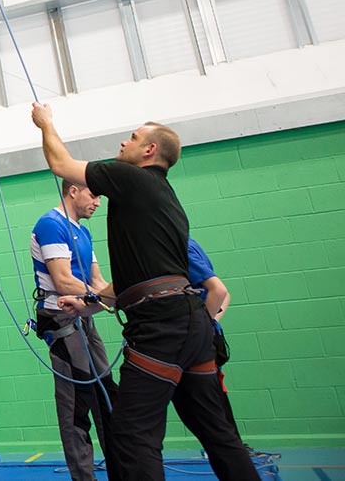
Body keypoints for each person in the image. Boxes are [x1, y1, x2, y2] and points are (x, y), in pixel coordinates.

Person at [30, 104, 260, 481]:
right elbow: (138, 278)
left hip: (159, 328)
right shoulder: (167, 203)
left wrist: (46, 124)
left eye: (134, 138)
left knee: (132, 437)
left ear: (150, 151)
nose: (125, 142)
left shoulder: (129, 178)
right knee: (218, 434)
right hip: (192, 324)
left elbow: (60, 163)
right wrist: (91, 305)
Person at [30, 180, 118, 481]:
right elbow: (63, 281)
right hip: (61, 317)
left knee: (106, 389)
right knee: (77, 402)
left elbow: (97, 281)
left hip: (83, 314)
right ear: (73, 191)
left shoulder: (84, 232)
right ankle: (84, 477)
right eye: (93, 195)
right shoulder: (51, 225)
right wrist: (105, 299)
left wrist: (117, 298)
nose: (97, 202)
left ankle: (123, 467)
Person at [187, 238, 254, 453]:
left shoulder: (182, 248)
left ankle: (229, 447)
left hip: (199, 341)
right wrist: (211, 322)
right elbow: (223, 294)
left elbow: (220, 292)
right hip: (207, 336)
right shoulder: (191, 244)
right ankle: (230, 446)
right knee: (214, 392)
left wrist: (202, 327)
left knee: (209, 394)